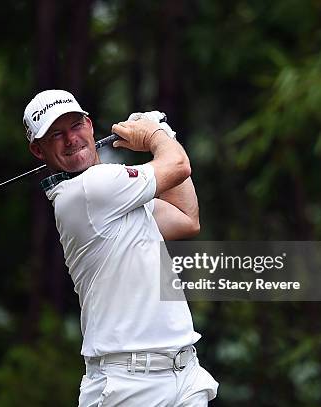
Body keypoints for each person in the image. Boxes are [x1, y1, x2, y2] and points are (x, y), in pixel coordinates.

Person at [23, 89, 218, 406]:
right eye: (56, 134)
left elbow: (186, 218)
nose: (71, 139)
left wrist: (163, 135)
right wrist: (155, 133)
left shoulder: (116, 198)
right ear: (38, 149)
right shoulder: (90, 189)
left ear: (89, 124)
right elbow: (178, 165)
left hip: (183, 374)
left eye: (75, 126)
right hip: (128, 387)